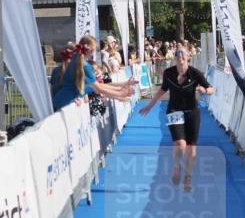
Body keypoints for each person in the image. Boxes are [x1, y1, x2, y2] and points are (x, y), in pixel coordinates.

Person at [139, 48, 214, 192]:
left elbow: (211, 89)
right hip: (174, 111)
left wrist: (205, 91)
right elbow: (162, 90)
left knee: (191, 150)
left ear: (188, 57)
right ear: (174, 58)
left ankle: (188, 177)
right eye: (177, 54)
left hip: (192, 111)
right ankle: (177, 166)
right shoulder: (169, 73)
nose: (180, 56)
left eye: (183, 54)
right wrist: (149, 106)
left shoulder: (195, 73)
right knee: (180, 144)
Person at [51, 35, 134, 111]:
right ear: (91, 50)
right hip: (67, 104)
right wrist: (121, 94)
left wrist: (120, 91)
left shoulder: (77, 60)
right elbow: (99, 88)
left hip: (63, 102)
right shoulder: (84, 65)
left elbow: (99, 87)